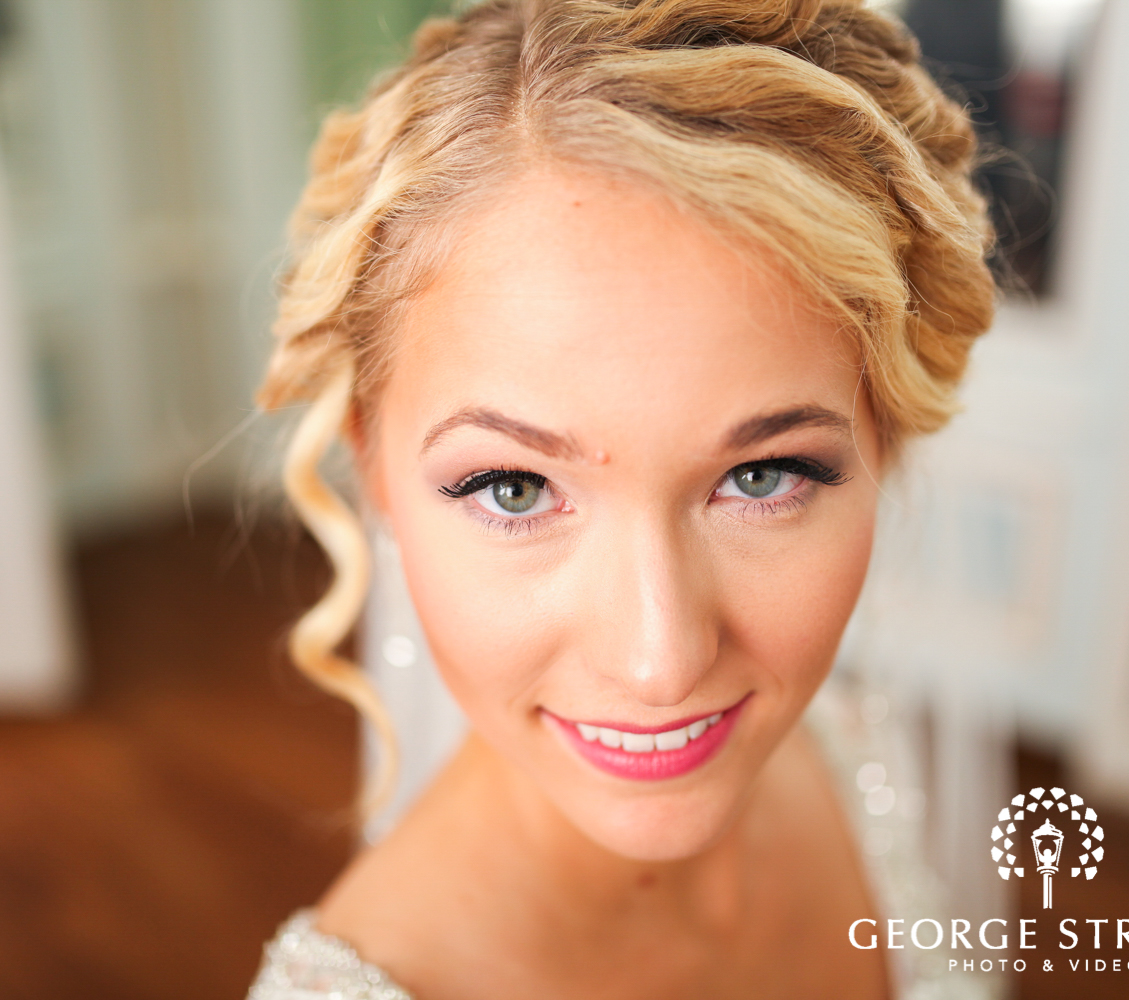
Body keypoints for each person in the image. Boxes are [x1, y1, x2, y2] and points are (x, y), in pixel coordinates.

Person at [249, 1, 996, 996]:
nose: (662, 664)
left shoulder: (850, 746)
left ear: (886, 440)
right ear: (372, 472)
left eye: (762, 477)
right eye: (515, 487)